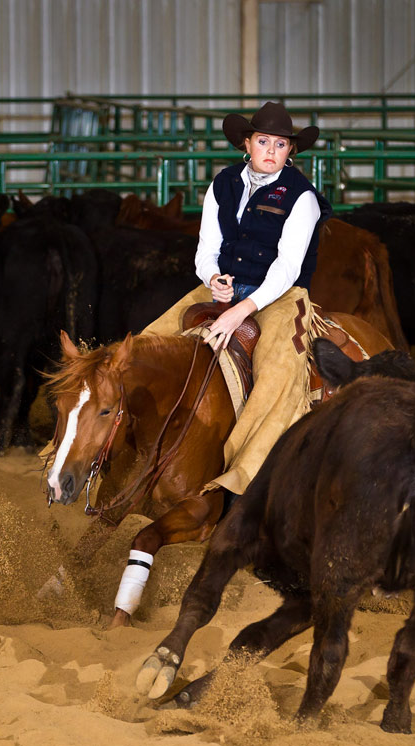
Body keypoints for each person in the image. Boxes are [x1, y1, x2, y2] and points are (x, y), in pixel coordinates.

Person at [144, 101, 332, 495]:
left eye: (281, 145)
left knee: (278, 374)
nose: (271, 151)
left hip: (281, 296)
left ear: (290, 151)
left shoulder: (302, 197)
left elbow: (287, 268)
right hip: (226, 285)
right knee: (147, 344)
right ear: (246, 143)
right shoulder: (223, 184)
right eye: (263, 141)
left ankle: (241, 475)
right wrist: (213, 279)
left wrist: (240, 310)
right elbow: (206, 249)